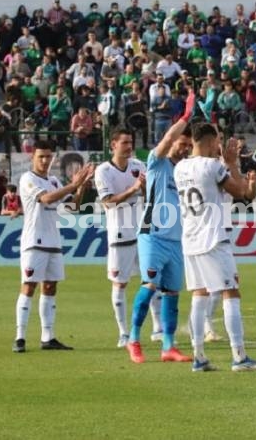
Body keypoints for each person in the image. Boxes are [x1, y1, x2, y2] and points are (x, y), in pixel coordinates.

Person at [175, 123, 256, 372]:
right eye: (217, 140)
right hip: (213, 238)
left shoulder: (180, 167)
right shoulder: (213, 166)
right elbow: (243, 194)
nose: (219, 144)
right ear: (209, 141)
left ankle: (199, 357)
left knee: (199, 295)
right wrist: (232, 164)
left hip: (191, 239)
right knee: (231, 292)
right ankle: (239, 357)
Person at [124, 90, 196, 364]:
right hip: (152, 235)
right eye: (182, 143)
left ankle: (168, 346)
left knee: (172, 293)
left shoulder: (184, 170)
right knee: (149, 285)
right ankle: (133, 339)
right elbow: (166, 139)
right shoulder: (157, 162)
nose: (184, 148)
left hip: (176, 240)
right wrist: (186, 116)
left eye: (188, 145)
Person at [12, 140, 94, 353]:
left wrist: (82, 186)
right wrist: (74, 185)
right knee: (29, 286)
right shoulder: (28, 179)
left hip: (53, 241)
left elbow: (73, 206)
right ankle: (20, 337)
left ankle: (47, 337)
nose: (45, 160)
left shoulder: (55, 181)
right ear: (33, 157)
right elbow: (46, 199)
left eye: (48, 156)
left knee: (50, 287)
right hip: (34, 241)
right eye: (41, 156)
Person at [94, 128, 163, 348]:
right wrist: (134, 188)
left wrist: (143, 190)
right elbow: (108, 202)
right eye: (124, 142)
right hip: (119, 234)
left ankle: (158, 328)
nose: (129, 146)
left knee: (152, 281)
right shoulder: (103, 170)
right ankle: (124, 333)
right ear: (113, 144)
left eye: (130, 142)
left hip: (143, 233)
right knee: (120, 283)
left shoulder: (138, 166)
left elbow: (149, 196)